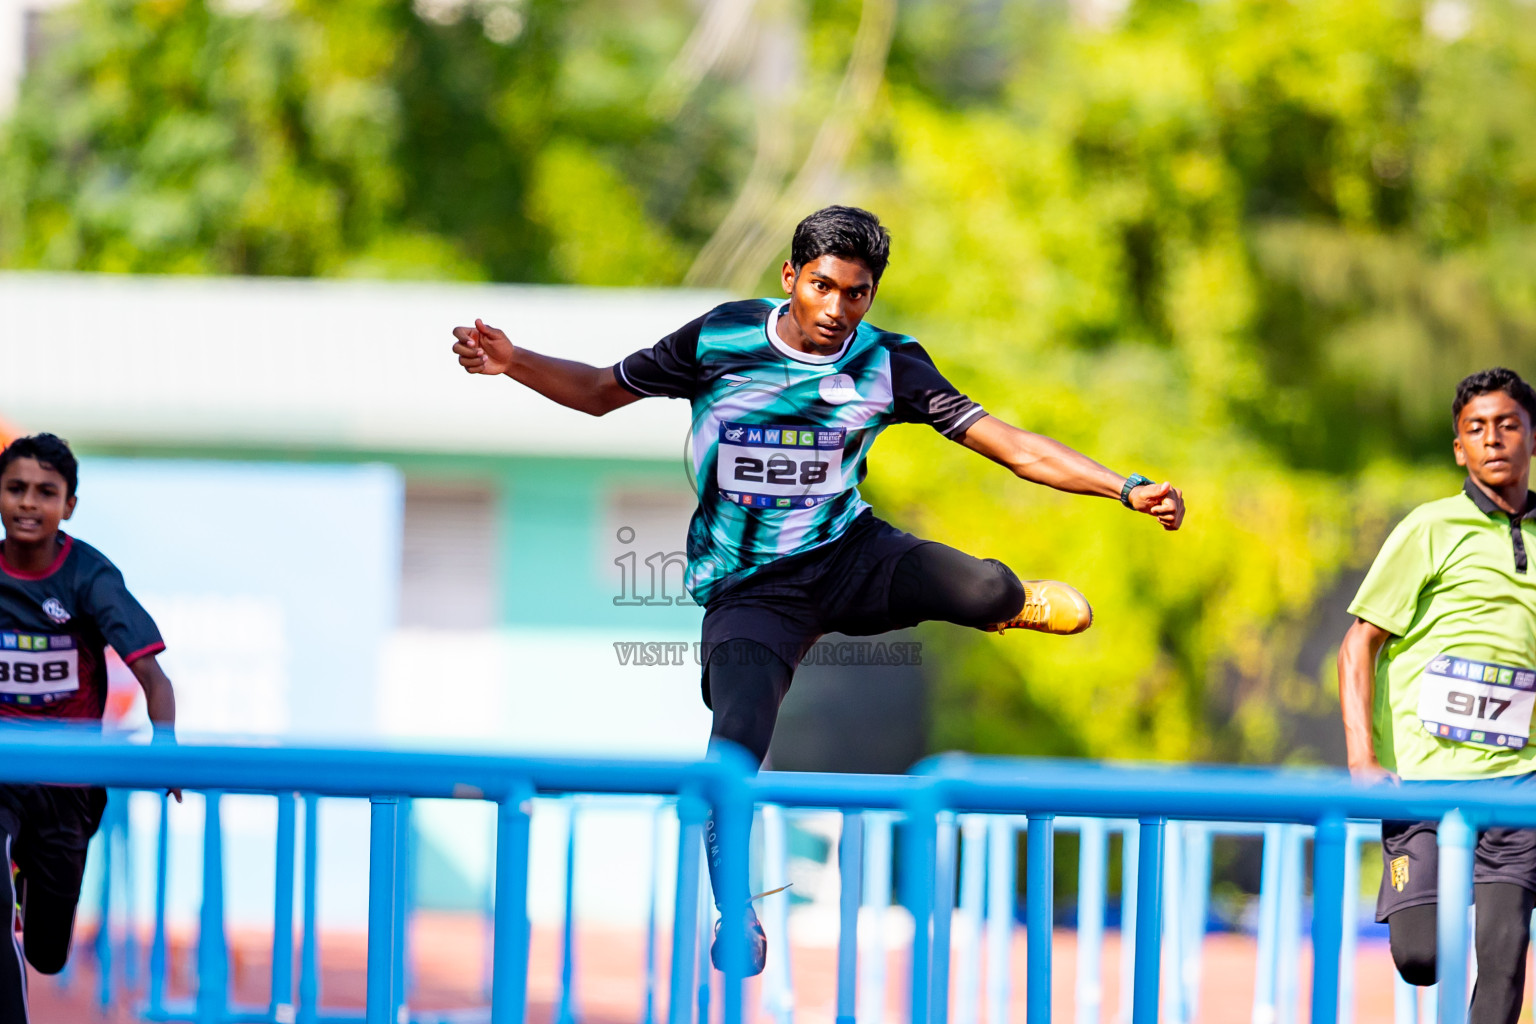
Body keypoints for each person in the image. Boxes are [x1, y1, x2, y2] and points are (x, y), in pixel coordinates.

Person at [450, 205, 1186, 973]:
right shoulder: (719, 340)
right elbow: (602, 390)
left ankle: (1014, 604)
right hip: (751, 590)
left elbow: (1010, 445)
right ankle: (735, 912)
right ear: (790, 278)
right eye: (824, 287)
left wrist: (1122, 487)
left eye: (858, 294)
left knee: (983, 587)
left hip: (848, 554)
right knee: (733, 742)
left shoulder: (889, 364)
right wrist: (514, 361)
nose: (838, 311)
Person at [1338, 367, 1536, 1024]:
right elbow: (1356, 644)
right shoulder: (1429, 528)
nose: (1493, 439)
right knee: (1421, 958)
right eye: (1476, 429)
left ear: (1532, 437)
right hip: (1422, 784)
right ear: (1459, 448)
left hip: (1517, 788)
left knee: (1504, 965)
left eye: (1508, 424)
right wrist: (1363, 761)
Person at [0, 433, 178, 1023]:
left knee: (48, 954)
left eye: (45, 493)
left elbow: (151, 675)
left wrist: (167, 747)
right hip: (2, 773)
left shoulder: (89, 576)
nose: (29, 503)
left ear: (68, 505)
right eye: (16, 489)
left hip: (67, 787)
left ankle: (27, 878)